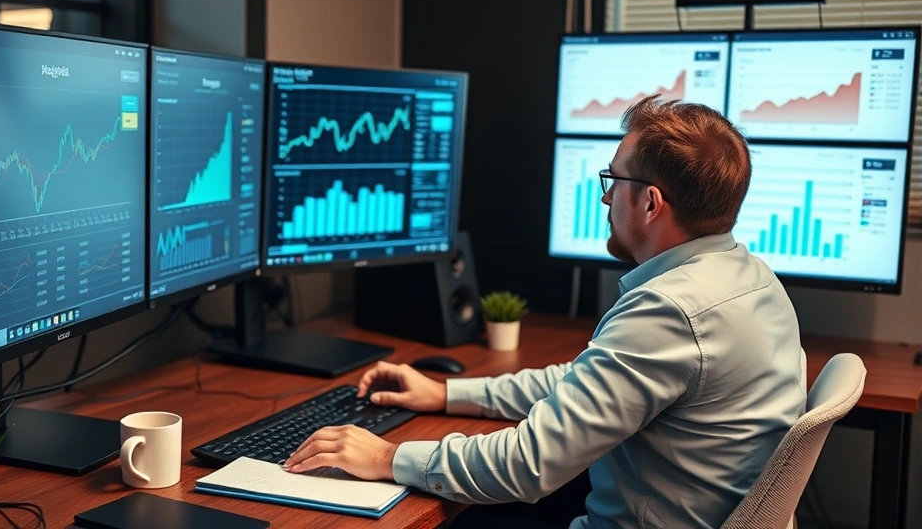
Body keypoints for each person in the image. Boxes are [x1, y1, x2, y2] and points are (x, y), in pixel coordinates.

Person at [284, 96, 807, 529]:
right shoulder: (752, 278)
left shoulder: (669, 311)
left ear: (649, 203)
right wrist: (446, 393)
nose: (605, 200)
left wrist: (385, 457)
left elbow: (526, 465)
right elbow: (586, 384)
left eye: (613, 181)